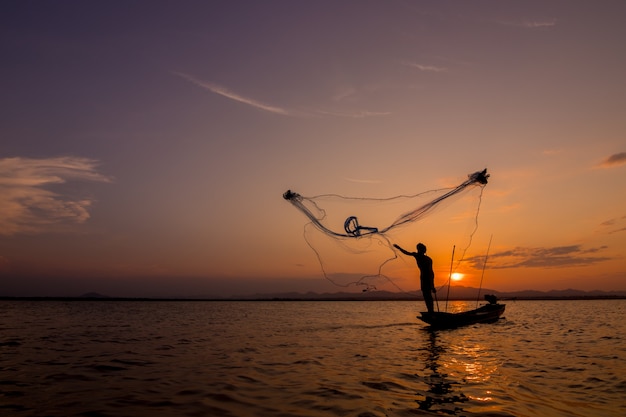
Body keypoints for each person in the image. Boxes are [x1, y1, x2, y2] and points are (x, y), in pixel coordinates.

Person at [394, 242, 437, 313]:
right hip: (425, 278)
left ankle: (431, 311)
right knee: (427, 295)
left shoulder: (426, 258)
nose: (419, 251)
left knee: (427, 295)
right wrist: (399, 248)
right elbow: (407, 253)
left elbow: (431, 272)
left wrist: (433, 285)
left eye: (420, 249)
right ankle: (430, 311)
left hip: (426, 278)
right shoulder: (422, 257)